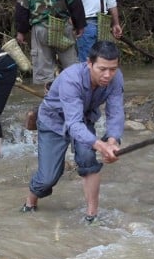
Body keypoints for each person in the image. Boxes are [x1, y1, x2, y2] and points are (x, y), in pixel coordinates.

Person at [21, 40, 125, 224]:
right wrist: (100, 145)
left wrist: (112, 140)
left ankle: (91, 216)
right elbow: (73, 124)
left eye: (113, 69)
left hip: (85, 119)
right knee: (47, 179)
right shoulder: (71, 79)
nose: (108, 75)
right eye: (102, 69)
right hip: (53, 121)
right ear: (89, 63)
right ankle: (30, 202)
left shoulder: (116, 78)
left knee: (88, 160)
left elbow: (115, 112)